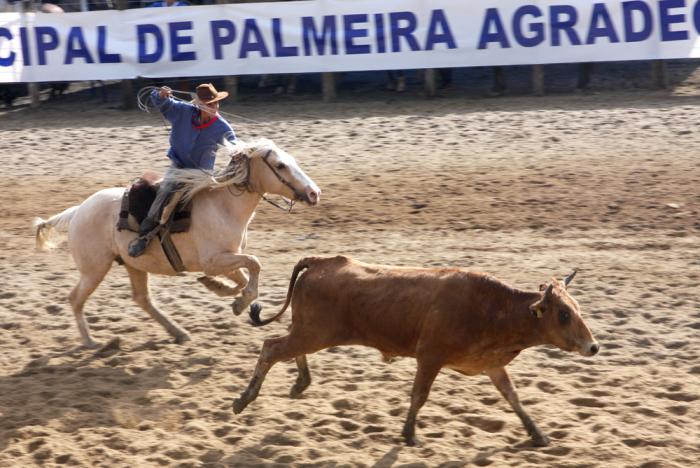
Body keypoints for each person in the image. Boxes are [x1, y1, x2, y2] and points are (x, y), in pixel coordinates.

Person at [128, 83, 237, 257]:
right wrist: (161, 95)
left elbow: (235, 147)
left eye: (216, 103)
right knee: (166, 191)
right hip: (178, 167)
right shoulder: (182, 111)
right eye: (209, 104)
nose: (214, 107)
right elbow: (162, 102)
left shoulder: (223, 127)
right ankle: (146, 233)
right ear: (198, 104)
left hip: (202, 173)